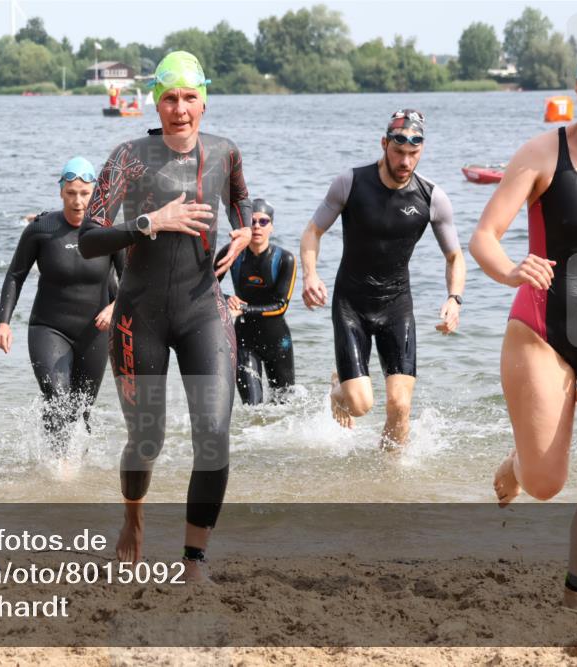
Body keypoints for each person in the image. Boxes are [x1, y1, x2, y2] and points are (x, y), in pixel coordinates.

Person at [469, 27, 577, 615]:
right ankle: (518, 465)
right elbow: (484, 237)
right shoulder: (543, 153)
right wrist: (511, 270)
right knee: (546, 482)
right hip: (541, 331)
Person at [78, 51, 253, 580]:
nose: (180, 109)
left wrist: (244, 230)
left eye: (189, 98)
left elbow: (240, 199)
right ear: (156, 102)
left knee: (214, 436)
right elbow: (88, 238)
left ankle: (194, 560)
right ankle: (133, 516)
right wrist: (150, 222)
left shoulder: (224, 152)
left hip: (203, 308)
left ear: (204, 101)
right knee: (146, 440)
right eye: (170, 98)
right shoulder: (129, 156)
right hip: (140, 315)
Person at [300, 109, 465, 450]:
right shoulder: (351, 182)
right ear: (384, 144)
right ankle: (339, 389)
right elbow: (313, 231)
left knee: (400, 405)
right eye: (398, 151)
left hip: (396, 306)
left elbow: (455, 257)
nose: (405, 161)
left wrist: (454, 298)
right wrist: (310, 275)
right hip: (351, 304)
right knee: (360, 405)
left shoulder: (432, 197)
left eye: (413, 153)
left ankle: (389, 473)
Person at [0, 157, 124, 453]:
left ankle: (75, 468)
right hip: (49, 328)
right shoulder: (41, 229)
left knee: (82, 409)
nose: (78, 201)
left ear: (95, 193)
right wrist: (3, 323)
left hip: (94, 332)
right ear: (61, 192)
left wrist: (115, 307)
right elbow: (15, 275)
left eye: (85, 194)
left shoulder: (108, 231)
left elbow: (130, 280)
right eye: (71, 193)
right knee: (56, 396)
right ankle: (57, 466)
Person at [215, 199, 297, 404]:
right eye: (252, 221)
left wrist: (243, 309)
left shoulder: (284, 259)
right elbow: (206, 288)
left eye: (263, 221)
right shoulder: (231, 253)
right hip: (244, 341)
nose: (257, 226)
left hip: (278, 342)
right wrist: (227, 300)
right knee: (253, 407)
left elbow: (281, 306)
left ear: (272, 226)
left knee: (284, 407)